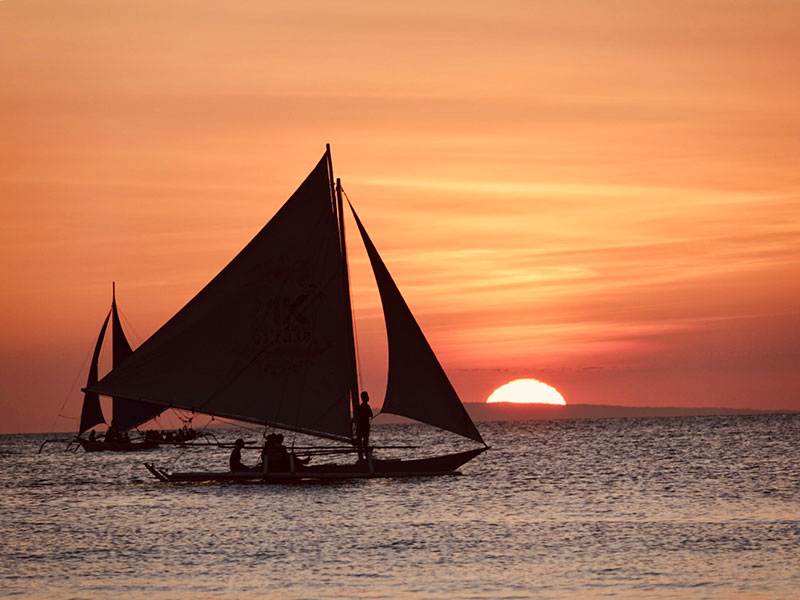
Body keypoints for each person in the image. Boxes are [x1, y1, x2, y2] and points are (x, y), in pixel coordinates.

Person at [356, 391, 373, 460]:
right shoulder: (366, 406)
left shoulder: (360, 407)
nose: (368, 397)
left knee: (361, 440)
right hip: (365, 427)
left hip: (360, 427)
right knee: (365, 441)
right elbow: (371, 414)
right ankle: (365, 455)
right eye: (367, 396)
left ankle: (362, 455)